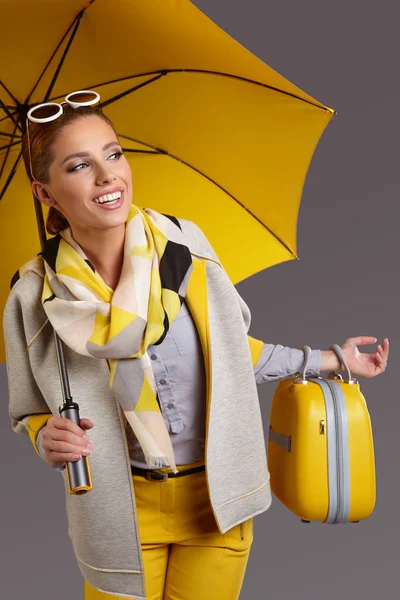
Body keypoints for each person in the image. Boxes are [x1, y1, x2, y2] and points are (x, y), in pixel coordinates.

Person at [3, 94, 389, 600]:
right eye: (79, 166)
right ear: (45, 192)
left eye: (113, 154)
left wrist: (334, 359)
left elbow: (232, 356)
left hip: (218, 501)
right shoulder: (34, 294)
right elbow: (29, 410)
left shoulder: (185, 248)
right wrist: (43, 435)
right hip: (117, 514)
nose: (107, 177)